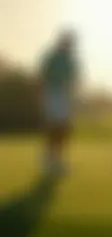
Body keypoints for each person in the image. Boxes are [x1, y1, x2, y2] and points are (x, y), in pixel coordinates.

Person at [38, 29, 79, 175]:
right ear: (61, 42)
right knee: (54, 126)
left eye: (71, 43)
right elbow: (42, 75)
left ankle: (57, 160)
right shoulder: (52, 57)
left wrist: (73, 98)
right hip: (51, 92)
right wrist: (42, 95)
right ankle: (48, 160)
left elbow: (73, 80)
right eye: (68, 42)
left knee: (64, 128)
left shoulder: (71, 60)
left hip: (64, 95)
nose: (70, 45)